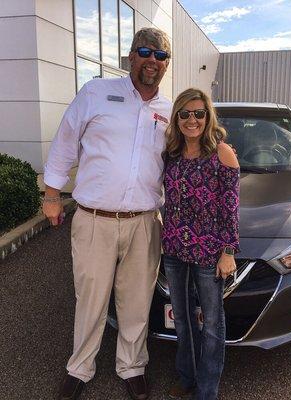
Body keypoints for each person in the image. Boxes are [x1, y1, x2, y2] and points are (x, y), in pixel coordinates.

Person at [42, 28, 172, 400]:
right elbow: (65, 142)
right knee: (91, 298)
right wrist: (52, 195)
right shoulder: (95, 93)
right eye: (145, 52)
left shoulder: (169, 111)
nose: (152, 60)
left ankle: (132, 366)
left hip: (145, 223)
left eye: (160, 56)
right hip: (94, 219)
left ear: (166, 65)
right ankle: (80, 367)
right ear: (131, 56)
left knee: (136, 300)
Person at [162, 88, 240, 400]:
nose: (191, 119)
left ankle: (207, 391)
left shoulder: (222, 153)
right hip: (174, 250)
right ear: (177, 117)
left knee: (211, 323)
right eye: (185, 113)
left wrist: (228, 250)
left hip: (209, 253)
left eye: (198, 113)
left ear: (207, 117)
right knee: (181, 319)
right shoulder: (170, 154)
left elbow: (231, 207)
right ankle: (187, 377)